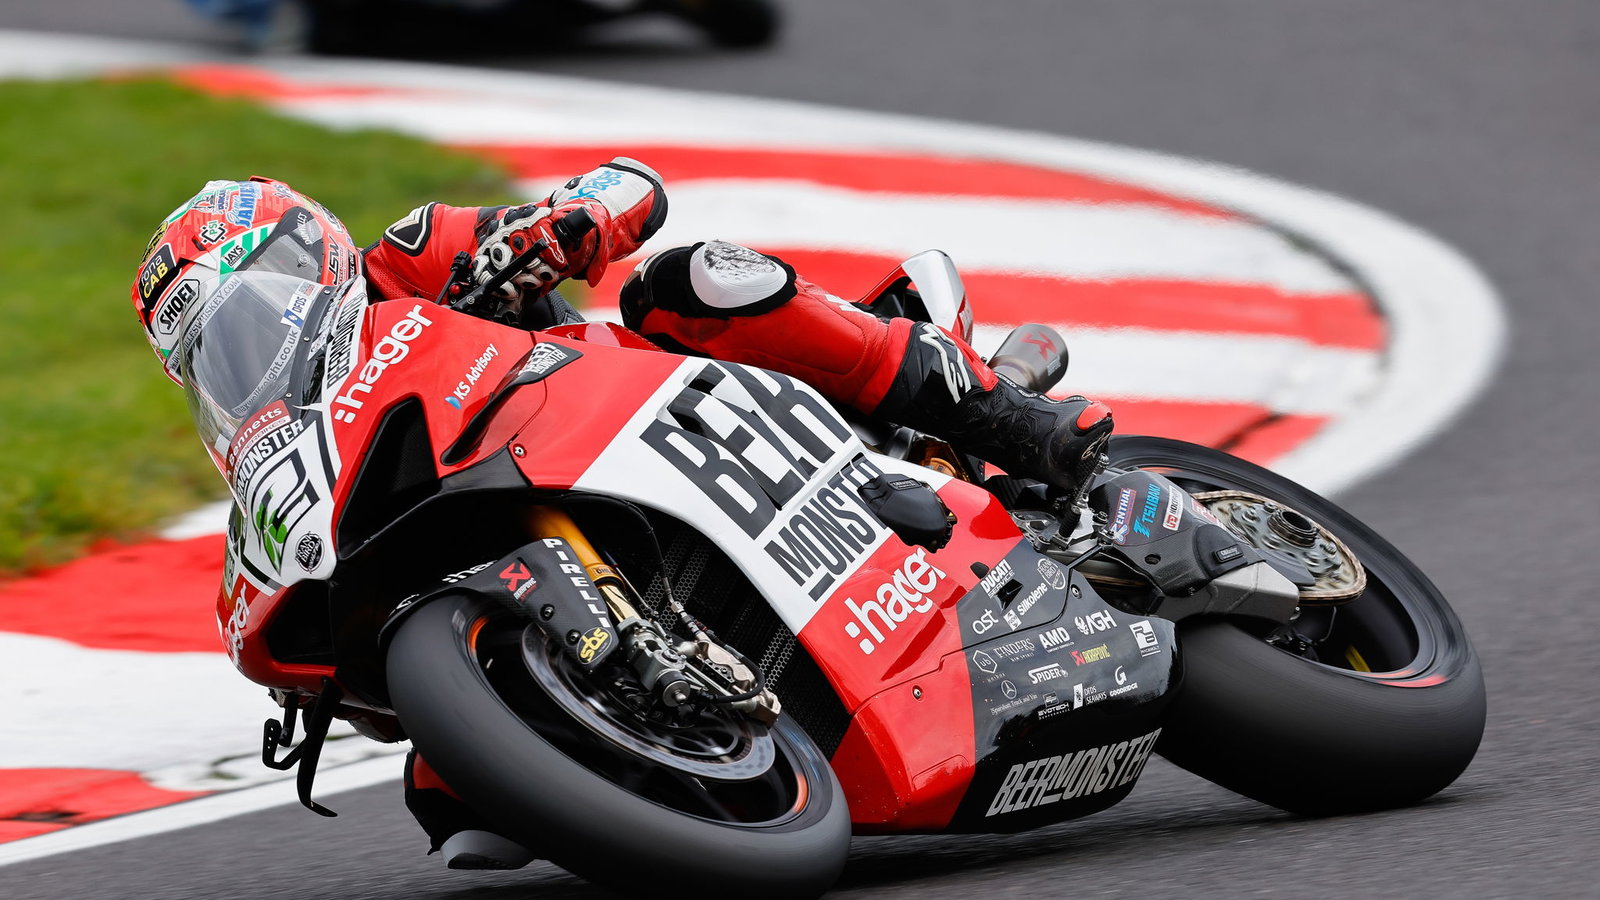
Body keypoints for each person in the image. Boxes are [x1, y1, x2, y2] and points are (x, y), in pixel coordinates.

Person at [130, 159, 1113, 869]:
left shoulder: (412, 259)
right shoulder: (293, 439)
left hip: (665, 412)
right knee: (457, 805)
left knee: (692, 279)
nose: (246, 354)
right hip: (534, 550)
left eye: (260, 312)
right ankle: (660, 750)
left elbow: (628, 186)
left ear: (315, 260)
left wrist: (563, 224)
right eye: (214, 355)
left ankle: (1002, 415)